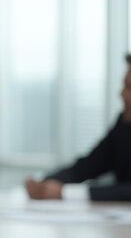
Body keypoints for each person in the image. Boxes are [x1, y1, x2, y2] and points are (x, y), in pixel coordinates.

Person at [25, 54, 131, 201]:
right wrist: (44, 182)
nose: (122, 94)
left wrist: (65, 193)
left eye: (129, 88)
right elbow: (89, 165)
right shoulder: (125, 125)